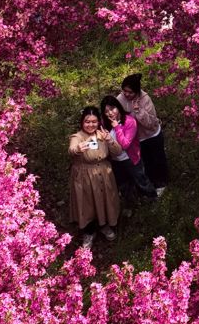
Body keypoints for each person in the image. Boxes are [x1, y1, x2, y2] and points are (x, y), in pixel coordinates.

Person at [67, 106, 121, 246]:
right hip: (84, 176)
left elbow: (117, 151)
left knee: (104, 200)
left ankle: (104, 225)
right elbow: (71, 149)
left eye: (94, 121)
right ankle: (89, 231)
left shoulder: (102, 135)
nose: (90, 125)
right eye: (87, 121)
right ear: (82, 122)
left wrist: (110, 140)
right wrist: (78, 149)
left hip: (103, 173)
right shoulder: (77, 137)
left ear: (99, 122)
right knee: (87, 204)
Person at [118, 73, 168, 192]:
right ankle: (149, 185)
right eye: (125, 91)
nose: (127, 94)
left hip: (151, 135)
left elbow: (151, 123)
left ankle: (161, 184)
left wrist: (138, 111)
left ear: (137, 91)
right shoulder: (120, 99)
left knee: (157, 160)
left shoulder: (145, 99)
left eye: (130, 92)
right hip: (136, 138)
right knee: (145, 162)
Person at [101, 95, 158, 200]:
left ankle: (152, 197)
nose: (110, 113)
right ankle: (131, 201)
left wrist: (117, 127)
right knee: (123, 182)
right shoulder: (105, 123)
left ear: (118, 106)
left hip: (130, 158)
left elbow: (125, 144)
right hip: (115, 160)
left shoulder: (129, 121)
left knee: (141, 180)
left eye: (112, 108)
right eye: (106, 111)